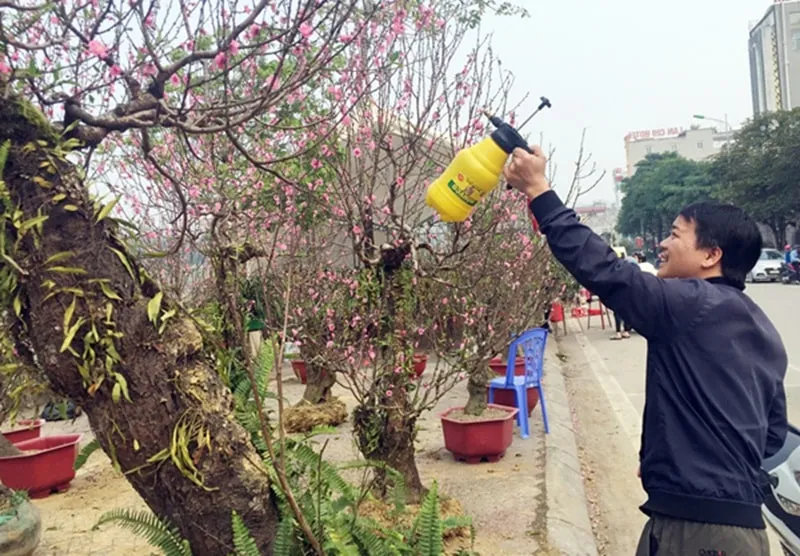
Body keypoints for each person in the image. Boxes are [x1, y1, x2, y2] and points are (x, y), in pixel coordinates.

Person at [504, 145, 787, 556]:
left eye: (674, 234)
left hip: (697, 534)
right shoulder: (762, 327)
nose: (662, 245)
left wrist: (538, 189)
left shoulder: (690, 303)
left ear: (711, 255)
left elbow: (604, 270)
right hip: (737, 527)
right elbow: (772, 434)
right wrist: (680, 454)